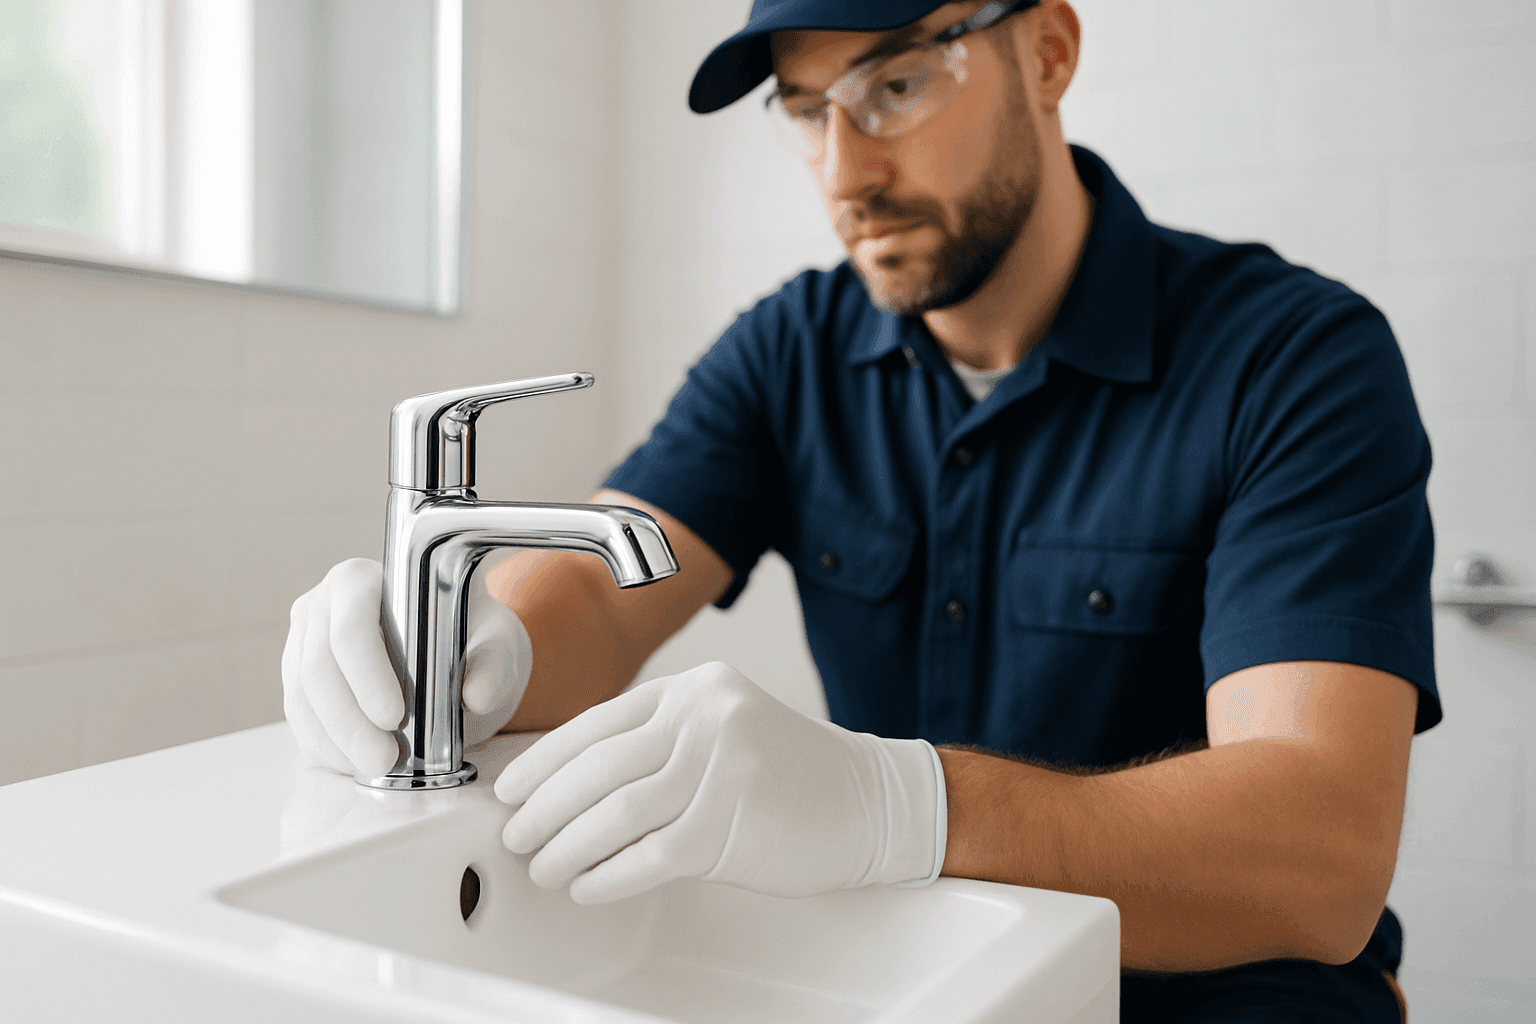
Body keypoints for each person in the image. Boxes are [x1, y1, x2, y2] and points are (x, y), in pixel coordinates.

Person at [282, 1, 1438, 1019]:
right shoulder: (791, 349)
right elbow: (595, 585)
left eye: (896, 85)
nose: (844, 173)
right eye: (805, 109)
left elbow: (1321, 851)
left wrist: (901, 804)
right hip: (920, 976)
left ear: (1047, 52)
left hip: (1217, 995)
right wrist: (468, 649)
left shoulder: (1293, 359)